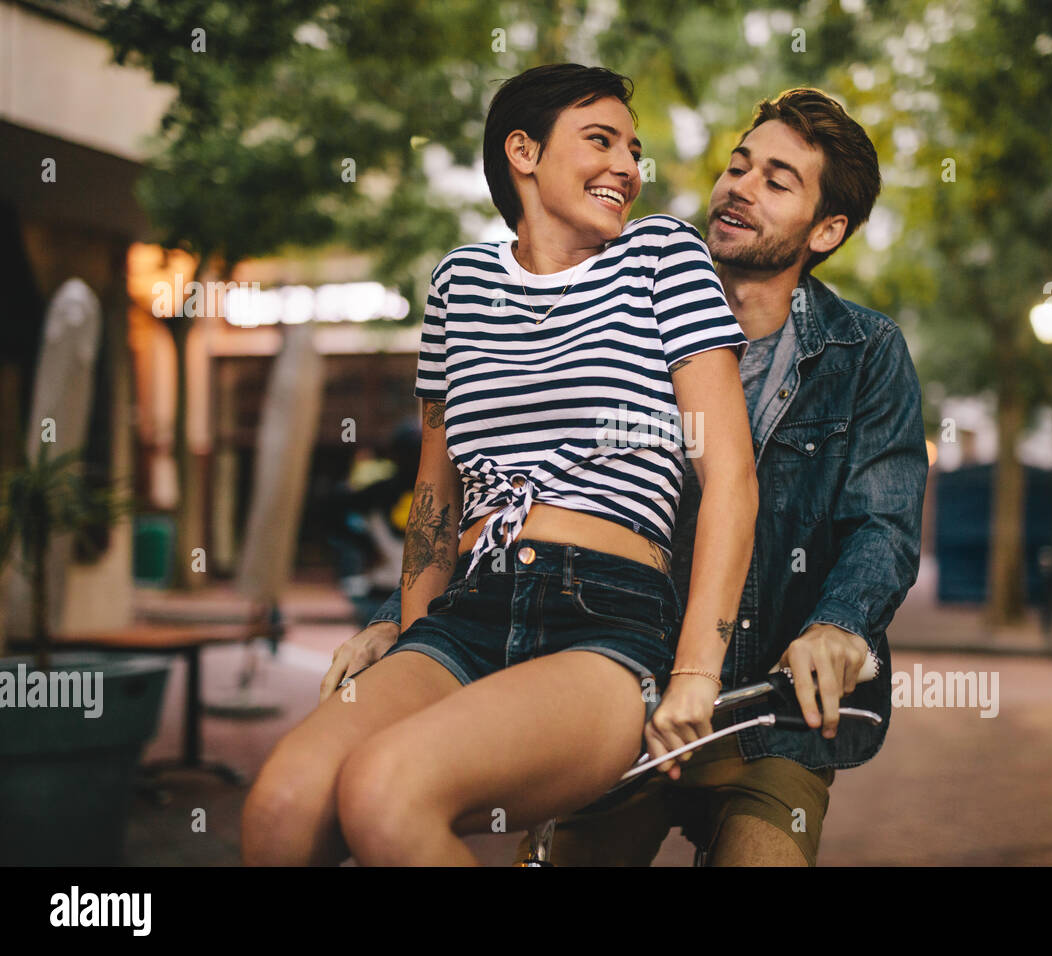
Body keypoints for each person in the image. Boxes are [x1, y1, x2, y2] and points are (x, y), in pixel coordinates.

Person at [355, 88, 929, 867]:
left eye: (776, 180)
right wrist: (405, 618)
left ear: (826, 229)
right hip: (619, 686)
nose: (739, 188)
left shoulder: (866, 352)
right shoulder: (624, 305)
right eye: (738, 166)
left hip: (768, 713)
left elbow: (884, 525)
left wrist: (841, 623)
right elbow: (518, 486)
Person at [241, 63, 757, 866]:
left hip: (605, 618)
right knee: (281, 810)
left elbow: (729, 474)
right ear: (523, 150)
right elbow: (434, 496)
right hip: (468, 612)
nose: (627, 165)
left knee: (386, 791)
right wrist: (410, 641)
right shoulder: (460, 282)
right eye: (601, 140)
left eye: (634, 148)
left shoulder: (663, 255)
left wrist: (696, 670)